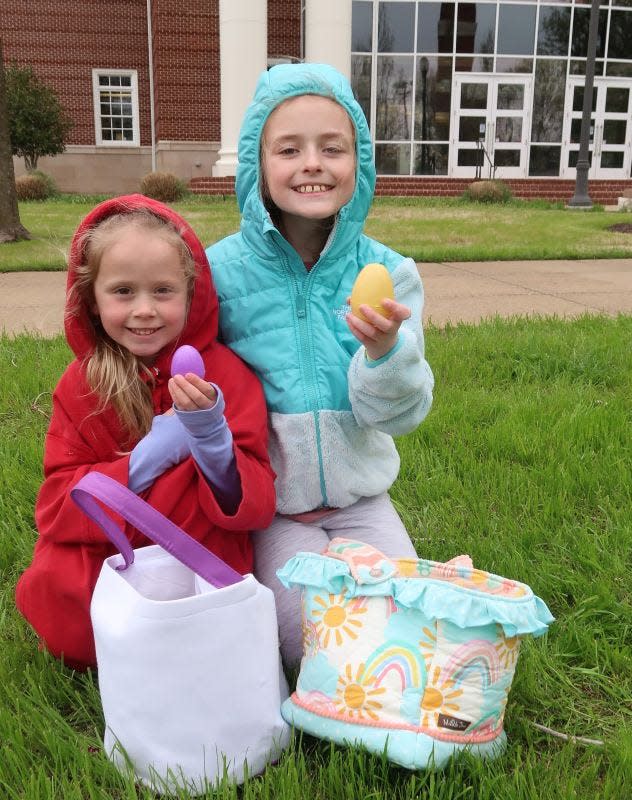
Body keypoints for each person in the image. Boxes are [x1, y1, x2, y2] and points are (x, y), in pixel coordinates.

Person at [206, 63, 435, 667]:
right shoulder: (217, 274)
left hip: (361, 500)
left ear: (358, 163)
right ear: (257, 165)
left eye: (332, 148)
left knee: (403, 623)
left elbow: (402, 413)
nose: (312, 163)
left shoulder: (389, 274)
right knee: (307, 641)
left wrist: (386, 353)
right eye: (290, 149)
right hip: (272, 508)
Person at [16, 194, 276, 670]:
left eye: (162, 291)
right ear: (92, 302)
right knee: (58, 590)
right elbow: (55, 505)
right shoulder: (82, 385)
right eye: (122, 292)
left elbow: (256, 506)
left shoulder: (226, 375)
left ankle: (176, 634)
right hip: (110, 545)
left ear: (191, 293)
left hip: (191, 547)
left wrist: (214, 448)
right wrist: (142, 462)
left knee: (208, 589)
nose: (144, 310)